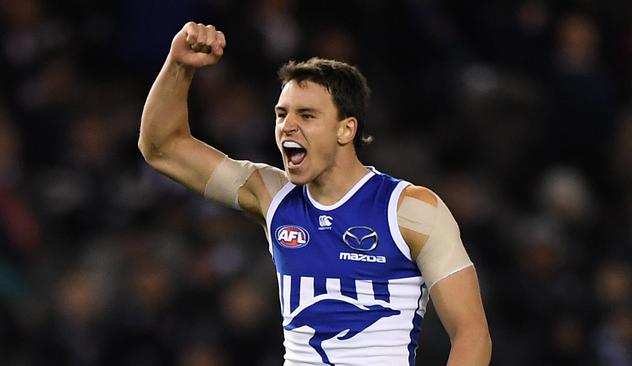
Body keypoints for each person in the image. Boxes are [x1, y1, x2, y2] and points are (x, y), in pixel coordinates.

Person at [139, 22, 492, 366]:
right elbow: (162, 148)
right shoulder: (271, 194)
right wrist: (179, 65)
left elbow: (471, 333)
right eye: (282, 114)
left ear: (346, 129)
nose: (287, 126)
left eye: (306, 115)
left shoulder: (410, 209)